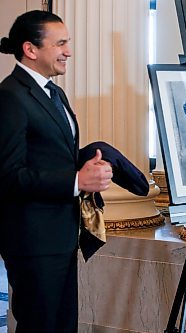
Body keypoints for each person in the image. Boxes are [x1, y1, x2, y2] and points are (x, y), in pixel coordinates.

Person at [0, 10, 113, 332]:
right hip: (31, 239)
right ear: (30, 49)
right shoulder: (10, 97)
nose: (69, 51)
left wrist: (87, 166)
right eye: (60, 43)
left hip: (61, 234)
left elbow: (50, 156)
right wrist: (76, 181)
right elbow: (8, 176)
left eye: (68, 43)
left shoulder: (54, 92)